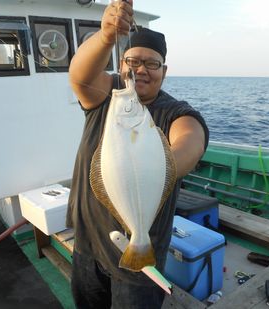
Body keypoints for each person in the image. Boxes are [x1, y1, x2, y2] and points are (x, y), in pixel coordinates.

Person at [66, 1, 209, 308]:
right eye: (133, 61)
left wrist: (164, 166)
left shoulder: (176, 112)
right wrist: (105, 36)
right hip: (87, 245)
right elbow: (79, 77)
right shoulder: (110, 95)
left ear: (164, 71)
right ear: (121, 66)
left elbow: (191, 141)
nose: (141, 70)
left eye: (152, 64)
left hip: (139, 260)